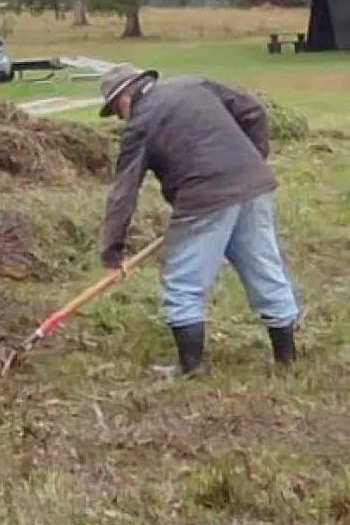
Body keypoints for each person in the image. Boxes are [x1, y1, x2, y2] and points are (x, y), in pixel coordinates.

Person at [96, 63, 300, 377]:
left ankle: (191, 367)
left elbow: (124, 190)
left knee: (182, 280)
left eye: (115, 111)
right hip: (253, 185)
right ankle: (287, 359)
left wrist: (112, 249)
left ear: (124, 96)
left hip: (203, 198)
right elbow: (254, 111)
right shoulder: (194, 84)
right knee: (264, 267)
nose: (119, 118)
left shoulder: (140, 124)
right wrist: (253, 158)